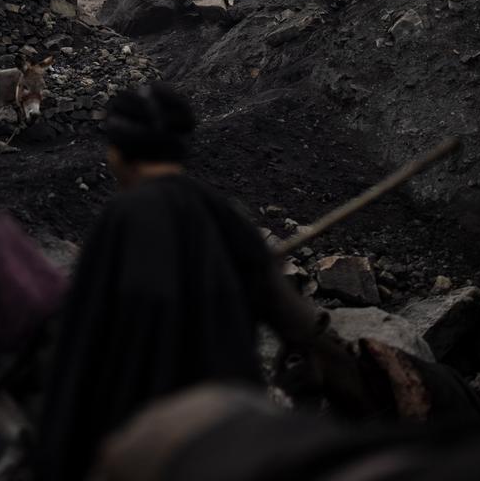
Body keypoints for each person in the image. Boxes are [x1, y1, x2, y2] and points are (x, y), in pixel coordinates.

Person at [36, 83, 323, 481]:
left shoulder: (120, 219)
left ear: (119, 152)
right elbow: (292, 319)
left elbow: (81, 333)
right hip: (232, 424)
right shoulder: (226, 214)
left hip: (139, 428)